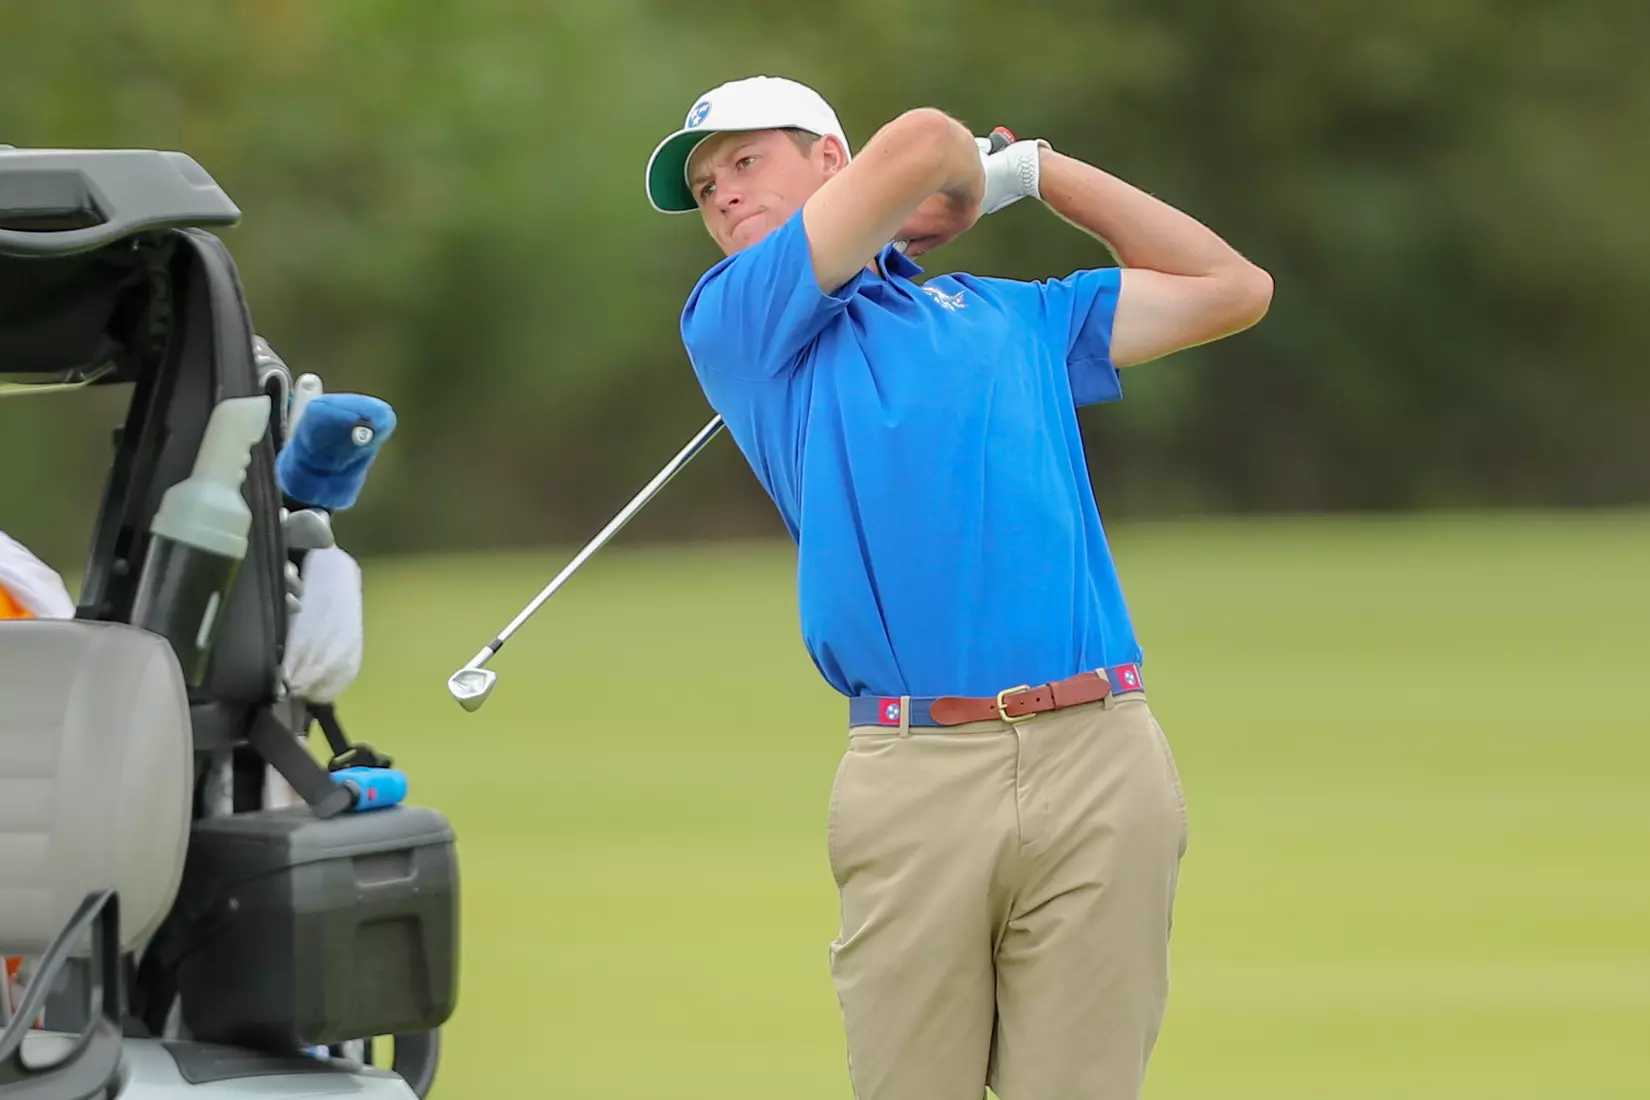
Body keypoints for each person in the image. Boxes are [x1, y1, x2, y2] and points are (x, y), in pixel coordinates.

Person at [644, 75, 1272, 1100]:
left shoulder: (1012, 316)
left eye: (745, 162)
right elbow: (930, 141)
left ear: (832, 162)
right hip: (917, 768)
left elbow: (1231, 288)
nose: (723, 195)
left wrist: (1039, 172)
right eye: (707, 187)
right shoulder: (739, 320)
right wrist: (955, 191)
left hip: (1102, 753)